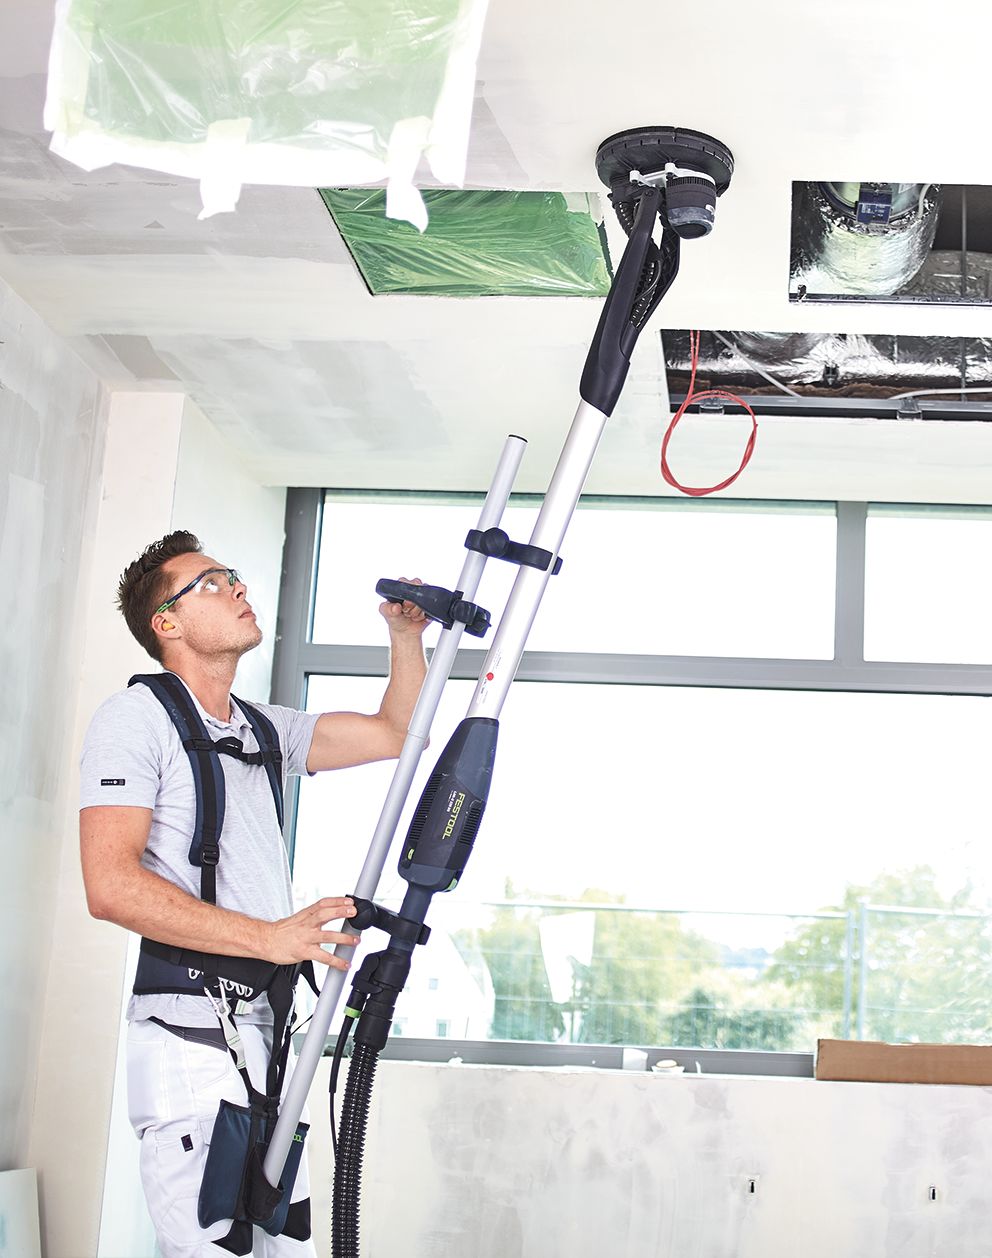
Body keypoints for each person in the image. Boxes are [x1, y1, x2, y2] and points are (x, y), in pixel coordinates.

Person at [79, 530, 428, 1256]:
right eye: (209, 583)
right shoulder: (134, 720)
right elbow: (109, 886)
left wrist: (405, 638)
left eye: (233, 575)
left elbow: (398, 732)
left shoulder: (263, 729)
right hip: (189, 1041)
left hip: (265, 1043)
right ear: (166, 623)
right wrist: (271, 938)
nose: (237, 587)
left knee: (282, 1247)